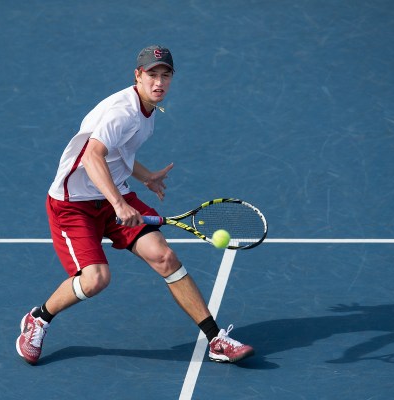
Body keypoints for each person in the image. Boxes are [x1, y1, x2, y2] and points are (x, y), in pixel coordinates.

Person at [16, 45, 254, 365]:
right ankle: (39, 319)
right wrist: (118, 204)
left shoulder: (148, 112)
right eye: (152, 75)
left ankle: (216, 339)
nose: (159, 82)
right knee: (96, 279)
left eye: (165, 75)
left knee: (164, 257)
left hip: (114, 193)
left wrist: (146, 177)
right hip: (74, 206)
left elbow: (120, 154)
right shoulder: (121, 112)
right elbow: (92, 155)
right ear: (137, 76)